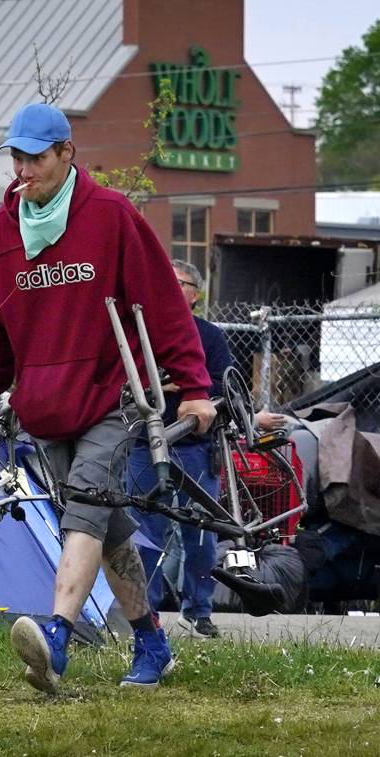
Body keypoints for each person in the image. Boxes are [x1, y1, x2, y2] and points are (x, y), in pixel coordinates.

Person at [0, 103, 216, 693]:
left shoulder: (111, 216)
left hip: (112, 395)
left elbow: (165, 307)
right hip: (44, 404)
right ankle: (152, 642)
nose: (24, 169)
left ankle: (57, 638)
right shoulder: (4, 232)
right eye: (17, 157)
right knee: (105, 523)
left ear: (66, 154)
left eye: (36, 157)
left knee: (88, 501)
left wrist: (194, 388)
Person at [126, 259, 233, 638]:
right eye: (163, 281)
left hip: (195, 449)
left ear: (196, 294)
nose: (169, 289)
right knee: (144, 535)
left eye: (179, 283)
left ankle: (199, 610)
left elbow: (226, 389)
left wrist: (192, 389)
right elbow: (121, 382)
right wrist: (156, 385)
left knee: (201, 538)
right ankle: (145, 615)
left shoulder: (210, 337)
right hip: (143, 446)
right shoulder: (137, 333)